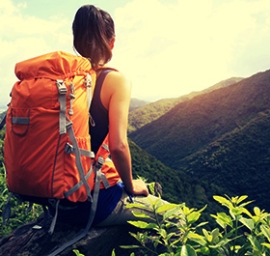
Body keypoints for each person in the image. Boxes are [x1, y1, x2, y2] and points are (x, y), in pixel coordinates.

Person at [49, 4, 162, 227]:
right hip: (91, 203)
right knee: (176, 217)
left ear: (76, 40)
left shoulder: (62, 80)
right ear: (112, 41)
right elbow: (119, 146)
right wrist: (131, 186)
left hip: (55, 204)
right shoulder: (115, 80)